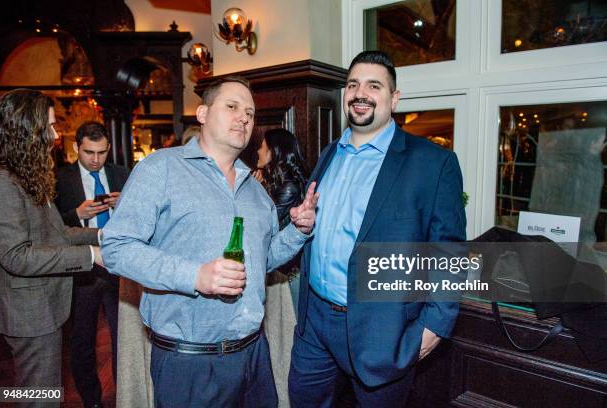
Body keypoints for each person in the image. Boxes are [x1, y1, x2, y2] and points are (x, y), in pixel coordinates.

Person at [101, 76, 318, 407]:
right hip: (189, 363)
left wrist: (297, 232)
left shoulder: (255, 189)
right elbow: (116, 248)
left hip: (254, 355)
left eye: (249, 112)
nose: (243, 117)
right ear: (202, 113)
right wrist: (195, 276)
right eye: (232, 107)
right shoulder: (161, 169)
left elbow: (264, 259)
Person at [288, 51, 466, 407]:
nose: (360, 93)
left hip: (383, 329)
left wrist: (432, 328)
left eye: (374, 85)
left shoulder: (433, 163)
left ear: (393, 99)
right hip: (315, 324)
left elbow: (451, 253)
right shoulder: (329, 154)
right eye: (353, 84)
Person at [0, 89, 102, 397]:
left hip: (44, 307)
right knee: (38, 396)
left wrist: (101, 236)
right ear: (27, 130)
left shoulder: (27, 176)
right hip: (28, 313)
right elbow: (17, 257)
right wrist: (90, 255)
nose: (56, 135)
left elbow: (57, 233)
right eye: (51, 127)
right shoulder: (4, 183)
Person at [55, 121, 129, 408]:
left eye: (101, 152)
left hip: (117, 266)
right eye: (88, 152)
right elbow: (48, 228)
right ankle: (92, 401)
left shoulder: (122, 175)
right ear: (76, 148)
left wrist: (124, 204)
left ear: (108, 148)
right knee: (82, 341)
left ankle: (125, 396)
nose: (95, 160)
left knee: (123, 337)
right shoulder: (59, 179)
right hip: (81, 269)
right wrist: (76, 213)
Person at [254, 128, 307, 406]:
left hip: (290, 276)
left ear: (274, 151)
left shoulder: (288, 187)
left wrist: (257, 188)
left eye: (262, 147)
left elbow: (263, 227)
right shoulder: (277, 183)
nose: (259, 152)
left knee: (292, 335)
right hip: (278, 274)